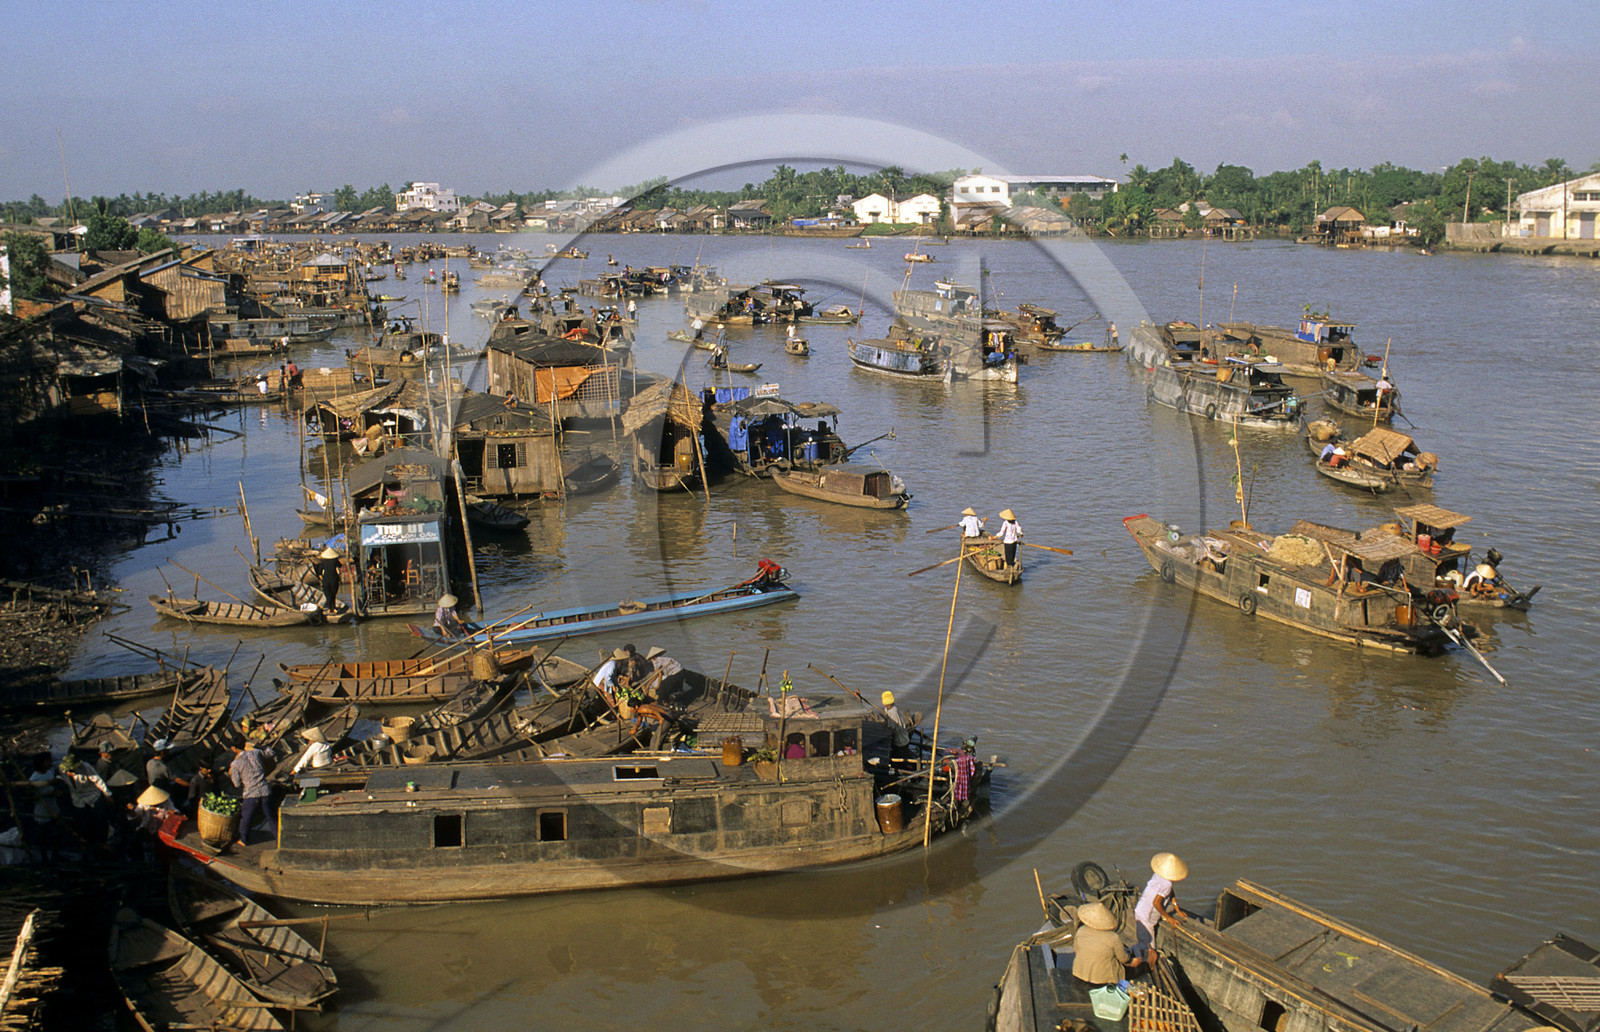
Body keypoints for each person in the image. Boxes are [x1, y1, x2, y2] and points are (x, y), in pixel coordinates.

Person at [1072, 900, 1144, 987]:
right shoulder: (1113, 937)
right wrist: (1130, 960)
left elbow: (1076, 949)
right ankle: (1149, 965)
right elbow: (1123, 958)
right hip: (1102, 980)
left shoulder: (1081, 931)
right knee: (1138, 967)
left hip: (1080, 974)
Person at [1135, 852, 1190, 945]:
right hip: (1146, 917)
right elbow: (1156, 903)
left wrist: (1177, 909)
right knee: (1150, 951)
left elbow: (1170, 893)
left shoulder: (1158, 874)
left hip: (1141, 909)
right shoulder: (1167, 884)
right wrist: (1169, 918)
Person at [228, 740, 274, 847]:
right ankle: (279, 837)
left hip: (251, 794)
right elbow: (271, 753)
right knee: (271, 817)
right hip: (265, 790)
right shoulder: (255, 753)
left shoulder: (235, 764)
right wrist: (261, 747)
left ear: (234, 748)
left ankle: (244, 840)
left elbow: (237, 784)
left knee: (246, 818)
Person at [881, 691, 913, 764]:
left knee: (902, 758)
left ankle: (906, 767)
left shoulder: (893, 713)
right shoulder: (889, 708)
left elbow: (891, 728)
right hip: (901, 737)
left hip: (900, 741)